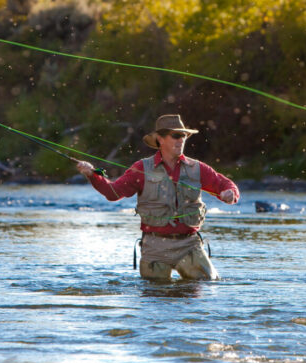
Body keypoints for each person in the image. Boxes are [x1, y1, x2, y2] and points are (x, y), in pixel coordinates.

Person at [75, 114, 239, 281]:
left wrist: (230, 193)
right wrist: (92, 174)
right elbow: (113, 193)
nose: (181, 140)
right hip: (154, 247)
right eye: (176, 135)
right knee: (155, 296)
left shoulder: (197, 168)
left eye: (183, 136)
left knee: (208, 285)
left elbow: (225, 185)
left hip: (189, 245)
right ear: (160, 139)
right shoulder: (141, 168)